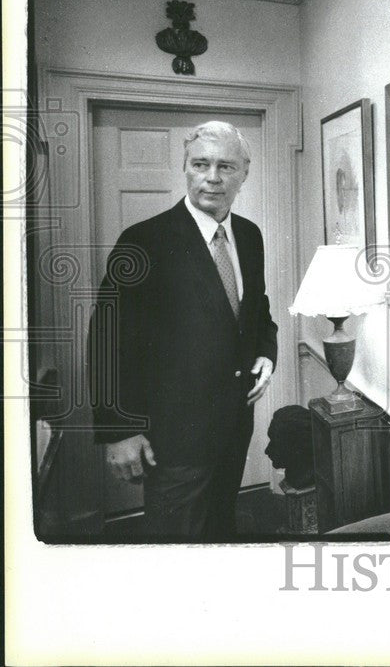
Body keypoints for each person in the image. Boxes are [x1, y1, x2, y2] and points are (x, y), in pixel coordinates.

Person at [88, 121, 278, 540]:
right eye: (201, 164)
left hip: (233, 425)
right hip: (174, 438)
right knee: (177, 543)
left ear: (245, 172)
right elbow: (106, 340)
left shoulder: (249, 236)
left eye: (226, 166)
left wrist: (267, 350)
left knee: (220, 528)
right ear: (186, 169)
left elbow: (256, 310)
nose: (213, 177)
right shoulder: (144, 241)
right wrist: (119, 430)